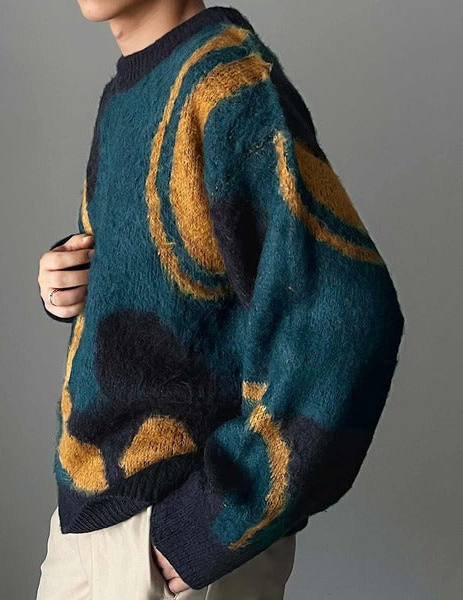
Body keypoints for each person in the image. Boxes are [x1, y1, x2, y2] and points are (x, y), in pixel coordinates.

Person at [36, 1, 405, 599]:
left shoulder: (226, 81)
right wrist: (69, 278)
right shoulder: (127, 91)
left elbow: (347, 320)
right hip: (88, 521)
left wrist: (212, 524)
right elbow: (171, 281)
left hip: (167, 535)